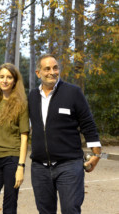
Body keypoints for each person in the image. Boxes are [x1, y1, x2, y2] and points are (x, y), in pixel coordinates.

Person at [28, 54, 102, 214]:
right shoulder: (32, 96)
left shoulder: (73, 92)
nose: (52, 72)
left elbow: (88, 124)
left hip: (69, 165)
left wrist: (97, 154)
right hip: (39, 168)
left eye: (55, 68)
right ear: (38, 73)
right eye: (47, 68)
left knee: (70, 209)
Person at [0, 63, 29, 214]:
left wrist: (21, 167)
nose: (5, 80)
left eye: (9, 77)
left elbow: (24, 137)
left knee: (9, 206)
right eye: (2, 77)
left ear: (15, 81)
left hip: (12, 159)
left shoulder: (21, 104)